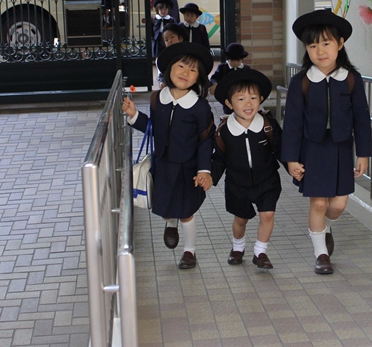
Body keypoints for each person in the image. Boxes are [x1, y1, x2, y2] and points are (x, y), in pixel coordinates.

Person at [281, 9, 371, 275]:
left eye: (326, 43)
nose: (319, 51)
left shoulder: (351, 79)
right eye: (312, 45)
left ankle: (326, 226)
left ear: (340, 44)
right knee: (318, 203)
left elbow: (362, 118)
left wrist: (363, 153)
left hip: (342, 148)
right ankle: (321, 254)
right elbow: (292, 123)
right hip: (312, 149)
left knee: (338, 205)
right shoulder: (301, 82)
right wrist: (291, 159)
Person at [121, 42, 215, 269]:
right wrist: (134, 115)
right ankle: (170, 223)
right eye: (181, 66)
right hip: (162, 164)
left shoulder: (200, 107)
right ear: (170, 68)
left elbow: (206, 140)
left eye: (192, 70)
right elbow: (153, 128)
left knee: (186, 212)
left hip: (187, 168)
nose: (185, 73)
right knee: (165, 208)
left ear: (199, 77)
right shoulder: (157, 99)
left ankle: (189, 251)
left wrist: (204, 170)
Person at [211, 68, 283, 270]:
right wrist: (210, 177)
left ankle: (260, 252)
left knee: (267, 215)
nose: (248, 104)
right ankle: (238, 247)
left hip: (267, 180)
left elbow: (281, 150)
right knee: (241, 219)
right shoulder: (224, 131)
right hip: (237, 183)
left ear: (261, 99)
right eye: (241, 99)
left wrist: (295, 168)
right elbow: (219, 159)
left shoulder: (268, 125)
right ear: (229, 103)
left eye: (253, 98)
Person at [209, 42, 251, 114]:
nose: (235, 63)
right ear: (228, 59)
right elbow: (214, 77)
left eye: (237, 61)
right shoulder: (223, 68)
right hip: (227, 96)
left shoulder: (246, 69)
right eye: (232, 60)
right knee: (229, 111)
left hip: (242, 95)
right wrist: (215, 83)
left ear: (242, 60)